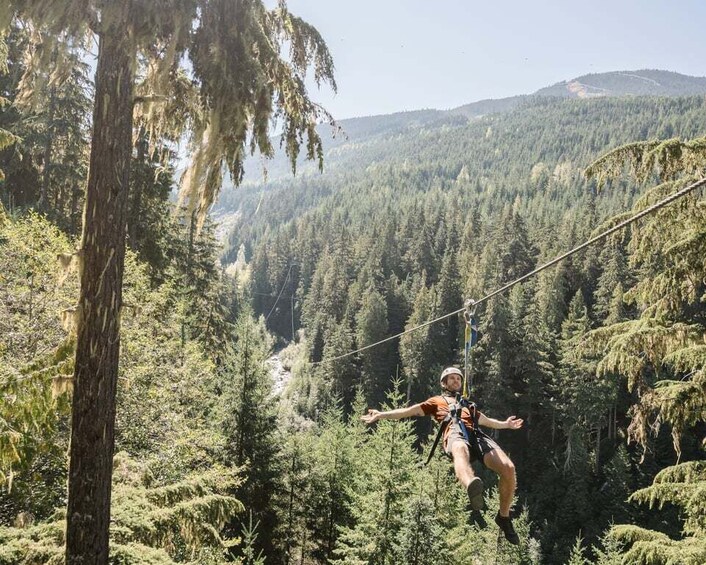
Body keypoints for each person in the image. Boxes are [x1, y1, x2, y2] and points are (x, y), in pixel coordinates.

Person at [361, 366, 523, 545]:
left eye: (458, 379)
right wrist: (380, 415)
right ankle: (471, 483)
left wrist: (506, 424)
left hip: (476, 435)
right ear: (444, 383)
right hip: (453, 432)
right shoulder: (436, 401)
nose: (456, 381)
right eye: (452, 378)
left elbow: (488, 422)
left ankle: (503, 517)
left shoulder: (468, 405)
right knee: (460, 448)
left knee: (508, 468)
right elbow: (408, 411)